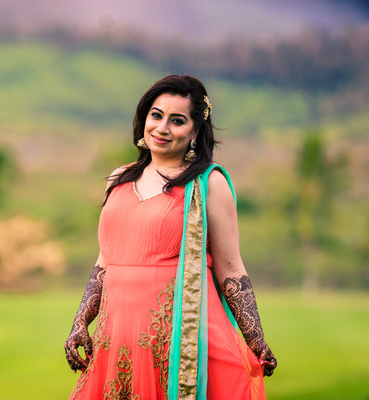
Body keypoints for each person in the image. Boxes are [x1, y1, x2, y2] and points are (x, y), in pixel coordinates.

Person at [64, 74, 277, 400]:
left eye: (177, 121)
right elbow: (104, 262)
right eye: (156, 115)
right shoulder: (119, 179)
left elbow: (231, 270)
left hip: (181, 339)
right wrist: (81, 323)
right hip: (117, 338)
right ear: (144, 118)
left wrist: (256, 340)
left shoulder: (209, 184)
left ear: (194, 131)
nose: (162, 128)